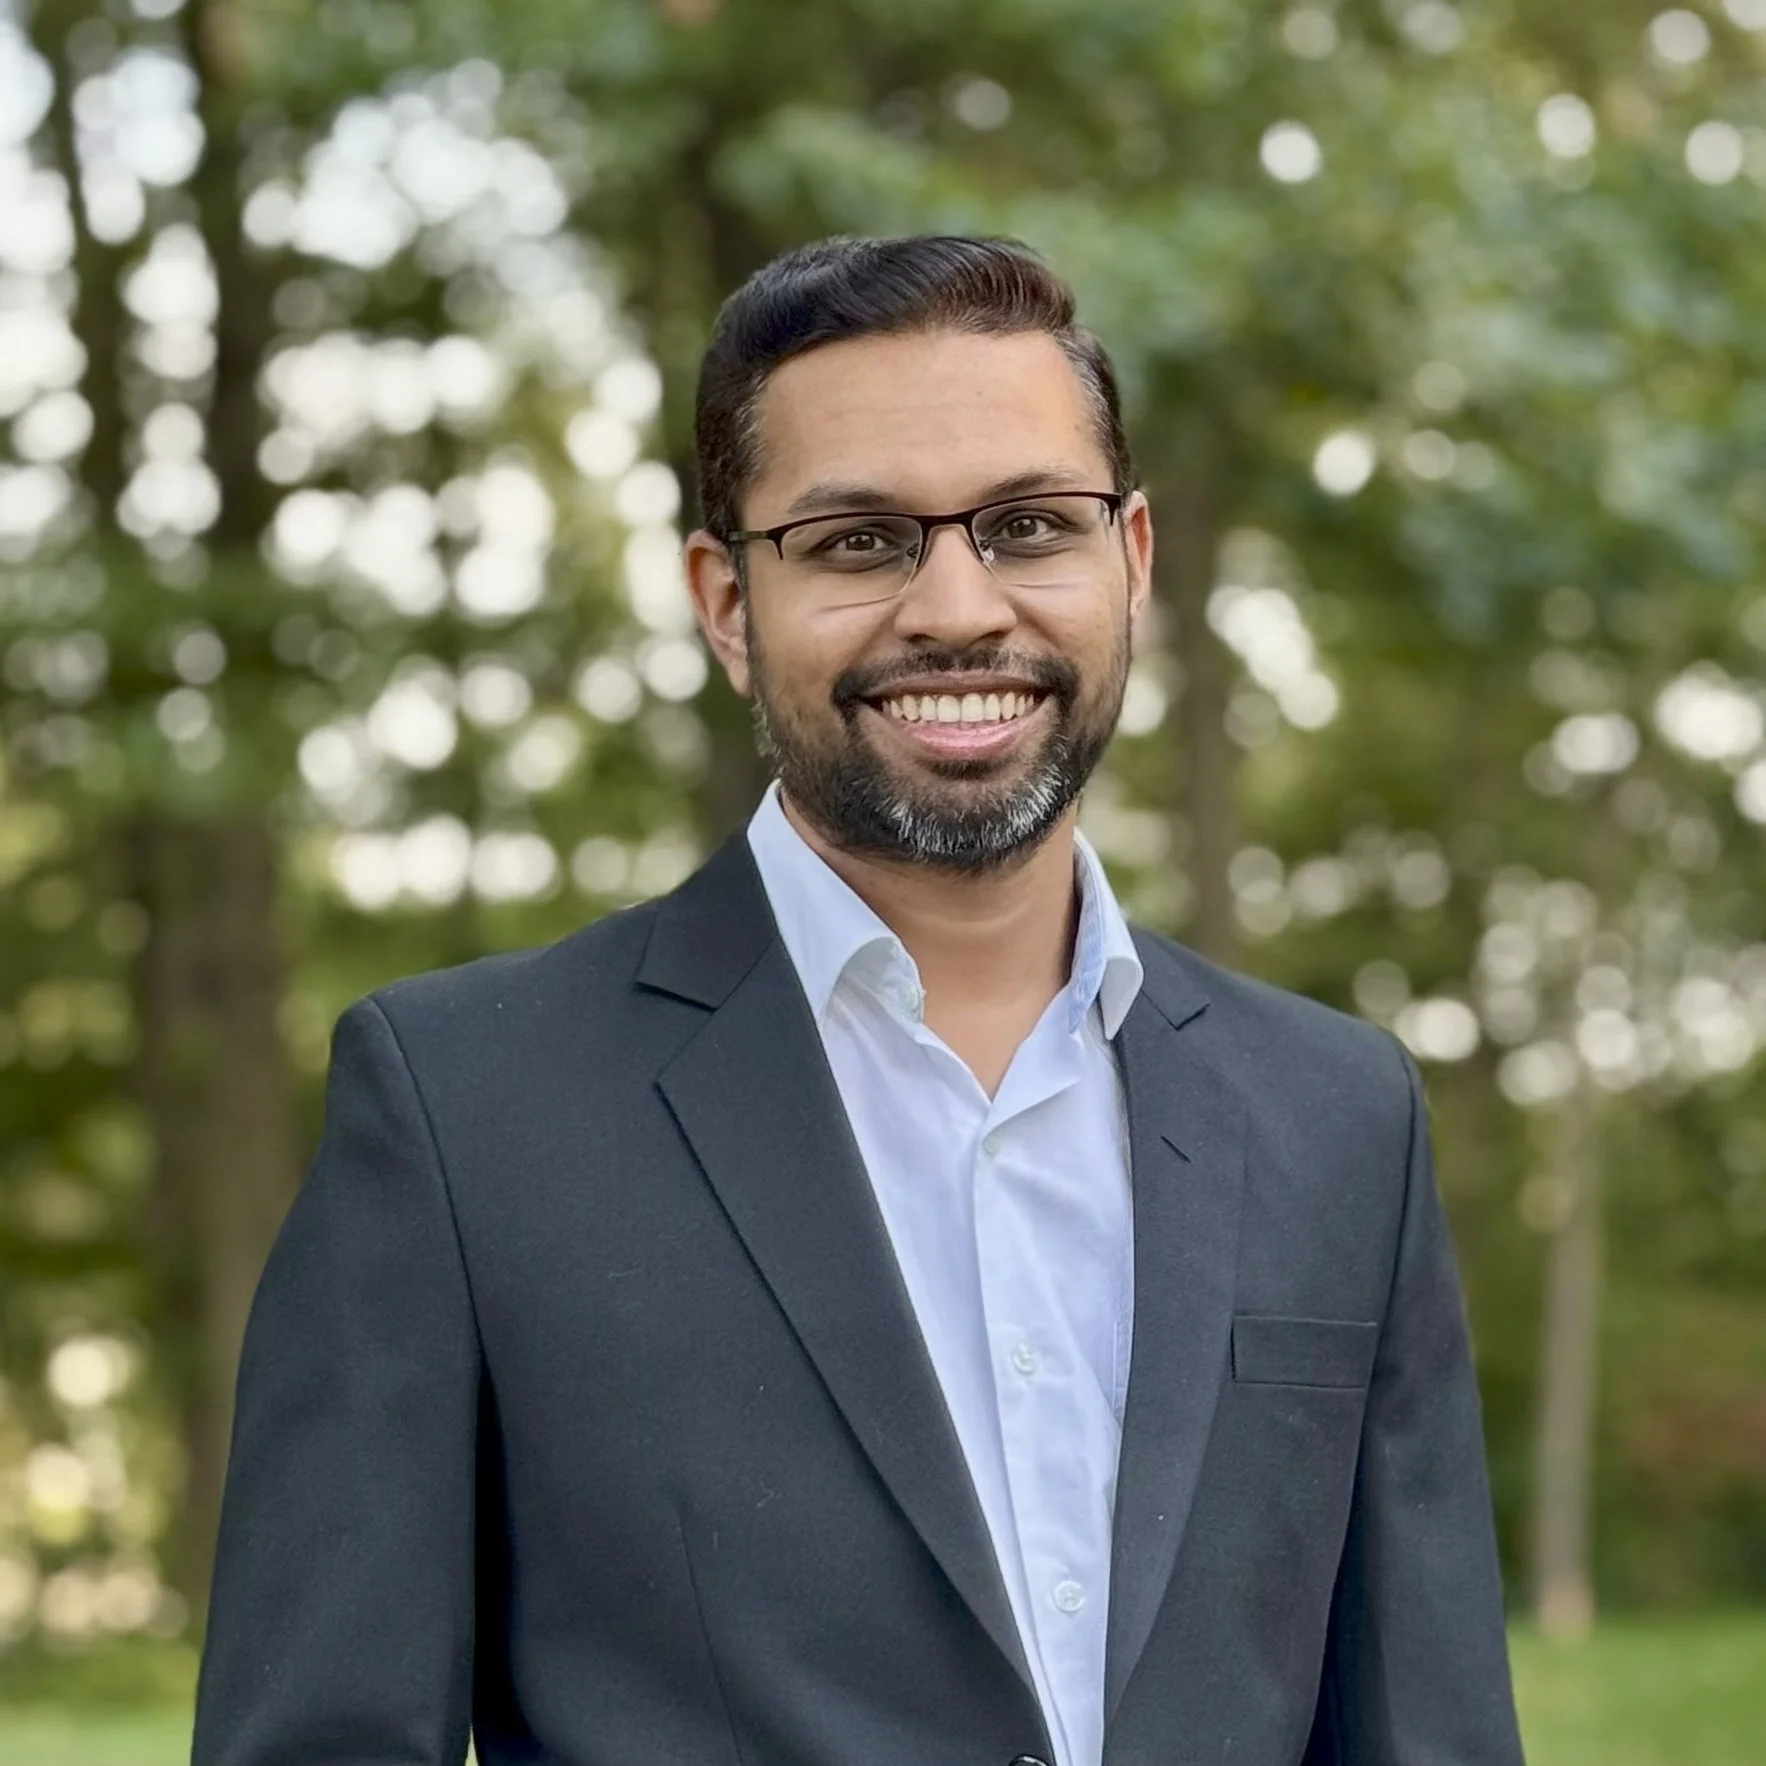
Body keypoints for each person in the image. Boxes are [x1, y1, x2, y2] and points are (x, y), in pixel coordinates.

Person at [193, 235, 1525, 1766]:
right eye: (857, 541)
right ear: (724, 601)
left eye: (1030, 524)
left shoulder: (1341, 1115)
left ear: (1132, 563)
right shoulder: (458, 1111)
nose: (958, 605)